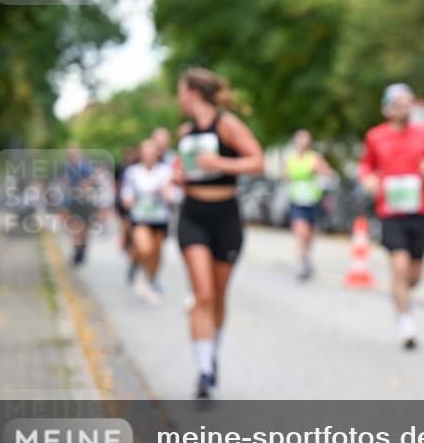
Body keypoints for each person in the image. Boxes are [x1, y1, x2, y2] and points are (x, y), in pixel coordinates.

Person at [174, 68, 264, 398]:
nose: (178, 98)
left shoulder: (227, 125)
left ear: (194, 93)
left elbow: (258, 161)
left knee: (219, 298)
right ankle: (204, 371)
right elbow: (185, 172)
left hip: (225, 217)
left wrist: (220, 164)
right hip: (192, 215)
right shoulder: (184, 133)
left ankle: (211, 353)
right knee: (204, 295)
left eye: (180, 91)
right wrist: (179, 178)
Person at [358, 83, 424, 349]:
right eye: (398, 103)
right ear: (386, 108)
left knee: (414, 275)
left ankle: (403, 293)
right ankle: (406, 324)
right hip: (390, 212)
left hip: (419, 211)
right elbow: (365, 164)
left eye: (408, 102)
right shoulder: (375, 136)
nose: (404, 107)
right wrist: (368, 179)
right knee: (399, 267)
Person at [121, 138, 176, 304]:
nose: (149, 155)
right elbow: (126, 194)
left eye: (152, 152)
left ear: (157, 153)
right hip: (140, 217)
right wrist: (128, 200)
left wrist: (166, 193)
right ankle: (138, 264)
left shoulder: (166, 171)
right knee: (146, 249)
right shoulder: (133, 172)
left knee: (157, 252)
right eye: (146, 152)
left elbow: (173, 195)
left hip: (160, 217)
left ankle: (150, 279)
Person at [285, 129, 332, 281]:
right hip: (297, 201)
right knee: (301, 231)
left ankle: (307, 256)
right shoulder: (290, 159)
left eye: (305, 140)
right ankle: (302, 260)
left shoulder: (315, 157)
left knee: (310, 234)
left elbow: (328, 173)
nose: (302, 143)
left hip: (312, 200)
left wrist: (318, 170)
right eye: (299, 139)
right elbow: (283, 175)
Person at [61, 145, 97, 265]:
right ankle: (77, 250)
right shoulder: (67, 168)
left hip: (85, 201)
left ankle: (82, 249)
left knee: (85, 228)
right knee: (75, 226)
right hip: (73, 201)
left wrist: (85, 186)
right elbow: (65, 184)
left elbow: (91, 181)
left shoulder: (86, 167)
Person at [115, 145, 141, 283]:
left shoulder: (138, 168)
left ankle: (135, 259)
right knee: (127, 233)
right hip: (123, 206)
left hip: (138, 209)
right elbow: (117, 185)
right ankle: (130, 253)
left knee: (136, 237)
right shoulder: (122, 167)